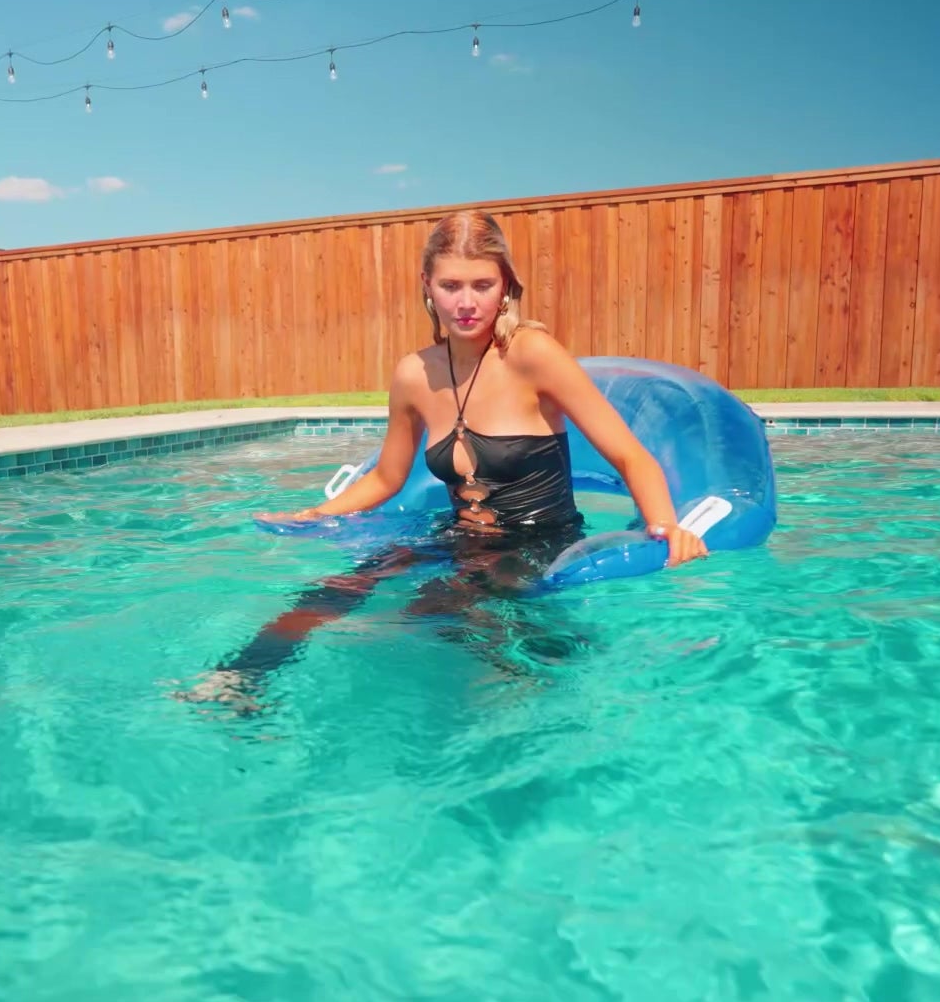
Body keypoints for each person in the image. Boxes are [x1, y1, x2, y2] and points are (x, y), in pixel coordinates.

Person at [185, 210, 708, 711]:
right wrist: (313, 515)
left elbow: (630, 456)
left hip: (540, 541)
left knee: (442, 608)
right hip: (459, 535)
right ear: (427, 286)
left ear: (506, 286)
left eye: (483, 285)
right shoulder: (414, 374)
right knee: (342, 585)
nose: (466, 302)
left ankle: (532, 698)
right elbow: (388, 476)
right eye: (451, 285)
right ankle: (240, 678)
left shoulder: (532, 355)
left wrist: (665, 529)